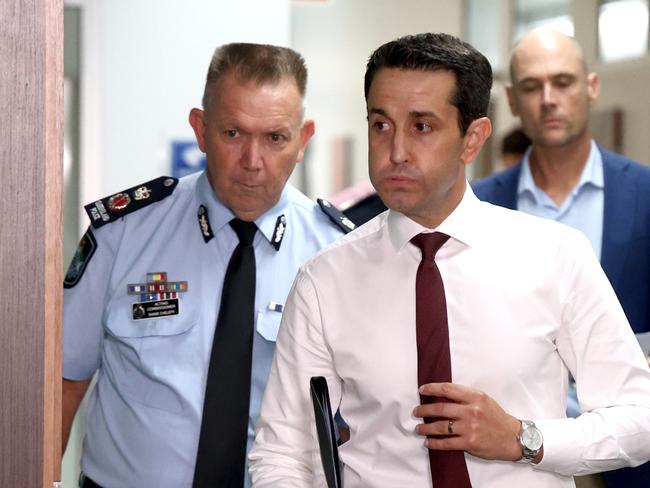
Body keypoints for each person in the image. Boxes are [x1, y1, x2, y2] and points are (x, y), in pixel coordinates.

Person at [248, 33, 650, 487]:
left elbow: (639, 418)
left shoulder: (556, 256)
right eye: (381, 125)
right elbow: (281, 454)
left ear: (472, 139)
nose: (396, 151)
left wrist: (525, 439)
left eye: (422, 126)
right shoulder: (324, 281)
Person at [62, 42, 353, 488]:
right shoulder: (123, 235)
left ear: (303, 139)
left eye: (275, 137)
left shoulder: (337, 254)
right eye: (233, 133)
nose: (252, 163)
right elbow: (63, 381)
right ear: (200, 129)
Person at [472, 28, 650, 486]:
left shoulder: (645, 195)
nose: (548, 99)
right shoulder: (476, 207)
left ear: (591, 87)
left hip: (629, 457)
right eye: (531, 87)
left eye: (564, 82)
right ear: (511, 100)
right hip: (516, 460)